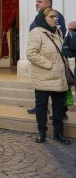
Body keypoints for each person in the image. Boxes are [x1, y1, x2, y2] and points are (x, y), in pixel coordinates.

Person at [26, 8, 70, 145]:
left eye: (56, 16)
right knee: (41, 106)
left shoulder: (58, 31)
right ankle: (42, 133)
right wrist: (49, 64)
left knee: (58, 107)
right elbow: (31, 54)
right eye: (52, 16)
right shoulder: (36, 32)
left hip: (58, 77)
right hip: (44, 77)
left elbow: (61, 53)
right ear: (43, 18)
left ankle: (58, 133)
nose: (55, 19)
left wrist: (65, 66)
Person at [27, 0, 66, 114]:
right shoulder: (38, 16)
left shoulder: (56, 15)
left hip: (52, 60)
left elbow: (60, 36)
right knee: (41, 90)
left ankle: (61, 111)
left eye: (40, 1)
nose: (37, 3)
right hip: (41, 61)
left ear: (48, 3)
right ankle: (41, 107)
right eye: (36, 1)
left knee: (57, 91)